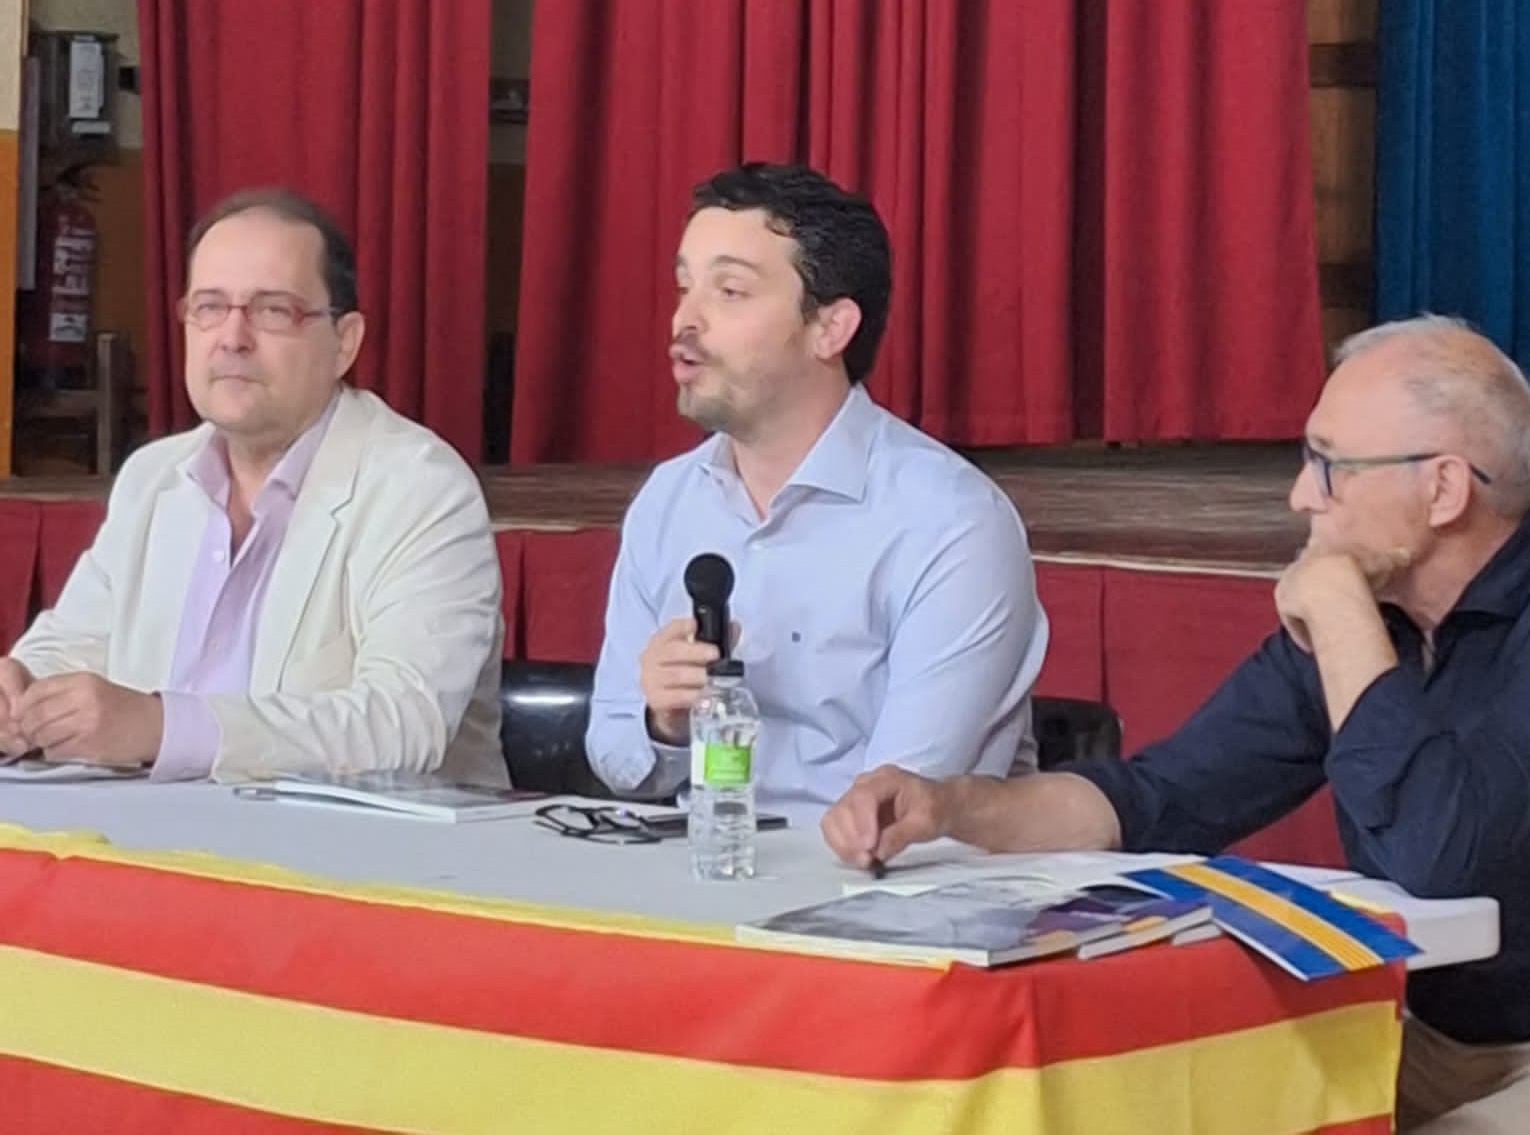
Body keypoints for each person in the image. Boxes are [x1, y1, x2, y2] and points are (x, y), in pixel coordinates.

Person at [822, 314, 1530, 1133]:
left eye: (1330, 466)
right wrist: (949, 805)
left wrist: (1340, 610)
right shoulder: (1377, 616)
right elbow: (1158, 797)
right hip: (1417, 1031)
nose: (1301, 496)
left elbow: (1445, 863)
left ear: (1443, 489)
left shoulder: (1353, 612)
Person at [586, 162, 1048, 824]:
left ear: (830, 329)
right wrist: (664, 723)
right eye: (685, 287)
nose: (685, 320)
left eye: (730, 291)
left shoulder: (951, 522)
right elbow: (616, 757)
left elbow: (899, 804)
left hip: (883, 879)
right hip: (703, 862)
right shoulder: (668, 501)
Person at [0, 188, 505, 786]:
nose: (232, 337)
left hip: (356, 840)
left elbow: (404, 723)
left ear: (344, 342)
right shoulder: (154, 477)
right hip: (147, 828)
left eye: (272, 311)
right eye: (210, 307)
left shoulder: (420, 487)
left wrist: (163, 728)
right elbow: (72, 646)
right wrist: (21, 692)